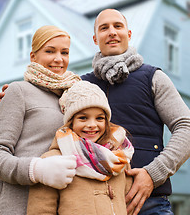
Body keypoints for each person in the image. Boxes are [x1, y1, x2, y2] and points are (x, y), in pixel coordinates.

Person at [0, 9, 190, 215]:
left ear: (129, 34)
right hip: (93, 203)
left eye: (118, 26)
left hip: (149, 201)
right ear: (95, 39)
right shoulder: (78, 85)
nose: (111, 32)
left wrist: (152, 174)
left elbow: (189, 130)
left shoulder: (153, 78)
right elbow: (44, 91)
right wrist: (14, 93)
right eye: (104, 28)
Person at [0, 25, 82, 214]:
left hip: (66, 205)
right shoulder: (18, 91)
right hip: (22, 205)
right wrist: (36, 169)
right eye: (50, 51)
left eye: (65, 52)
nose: (58, 59)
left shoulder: (75, 96)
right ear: (33, 56)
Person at [26, 81, 134, 215]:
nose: (92, 125)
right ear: (71, 122)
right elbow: (41, 211)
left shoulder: (119, 159)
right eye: (83, 118)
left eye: (99, 118)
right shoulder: (53, 161)